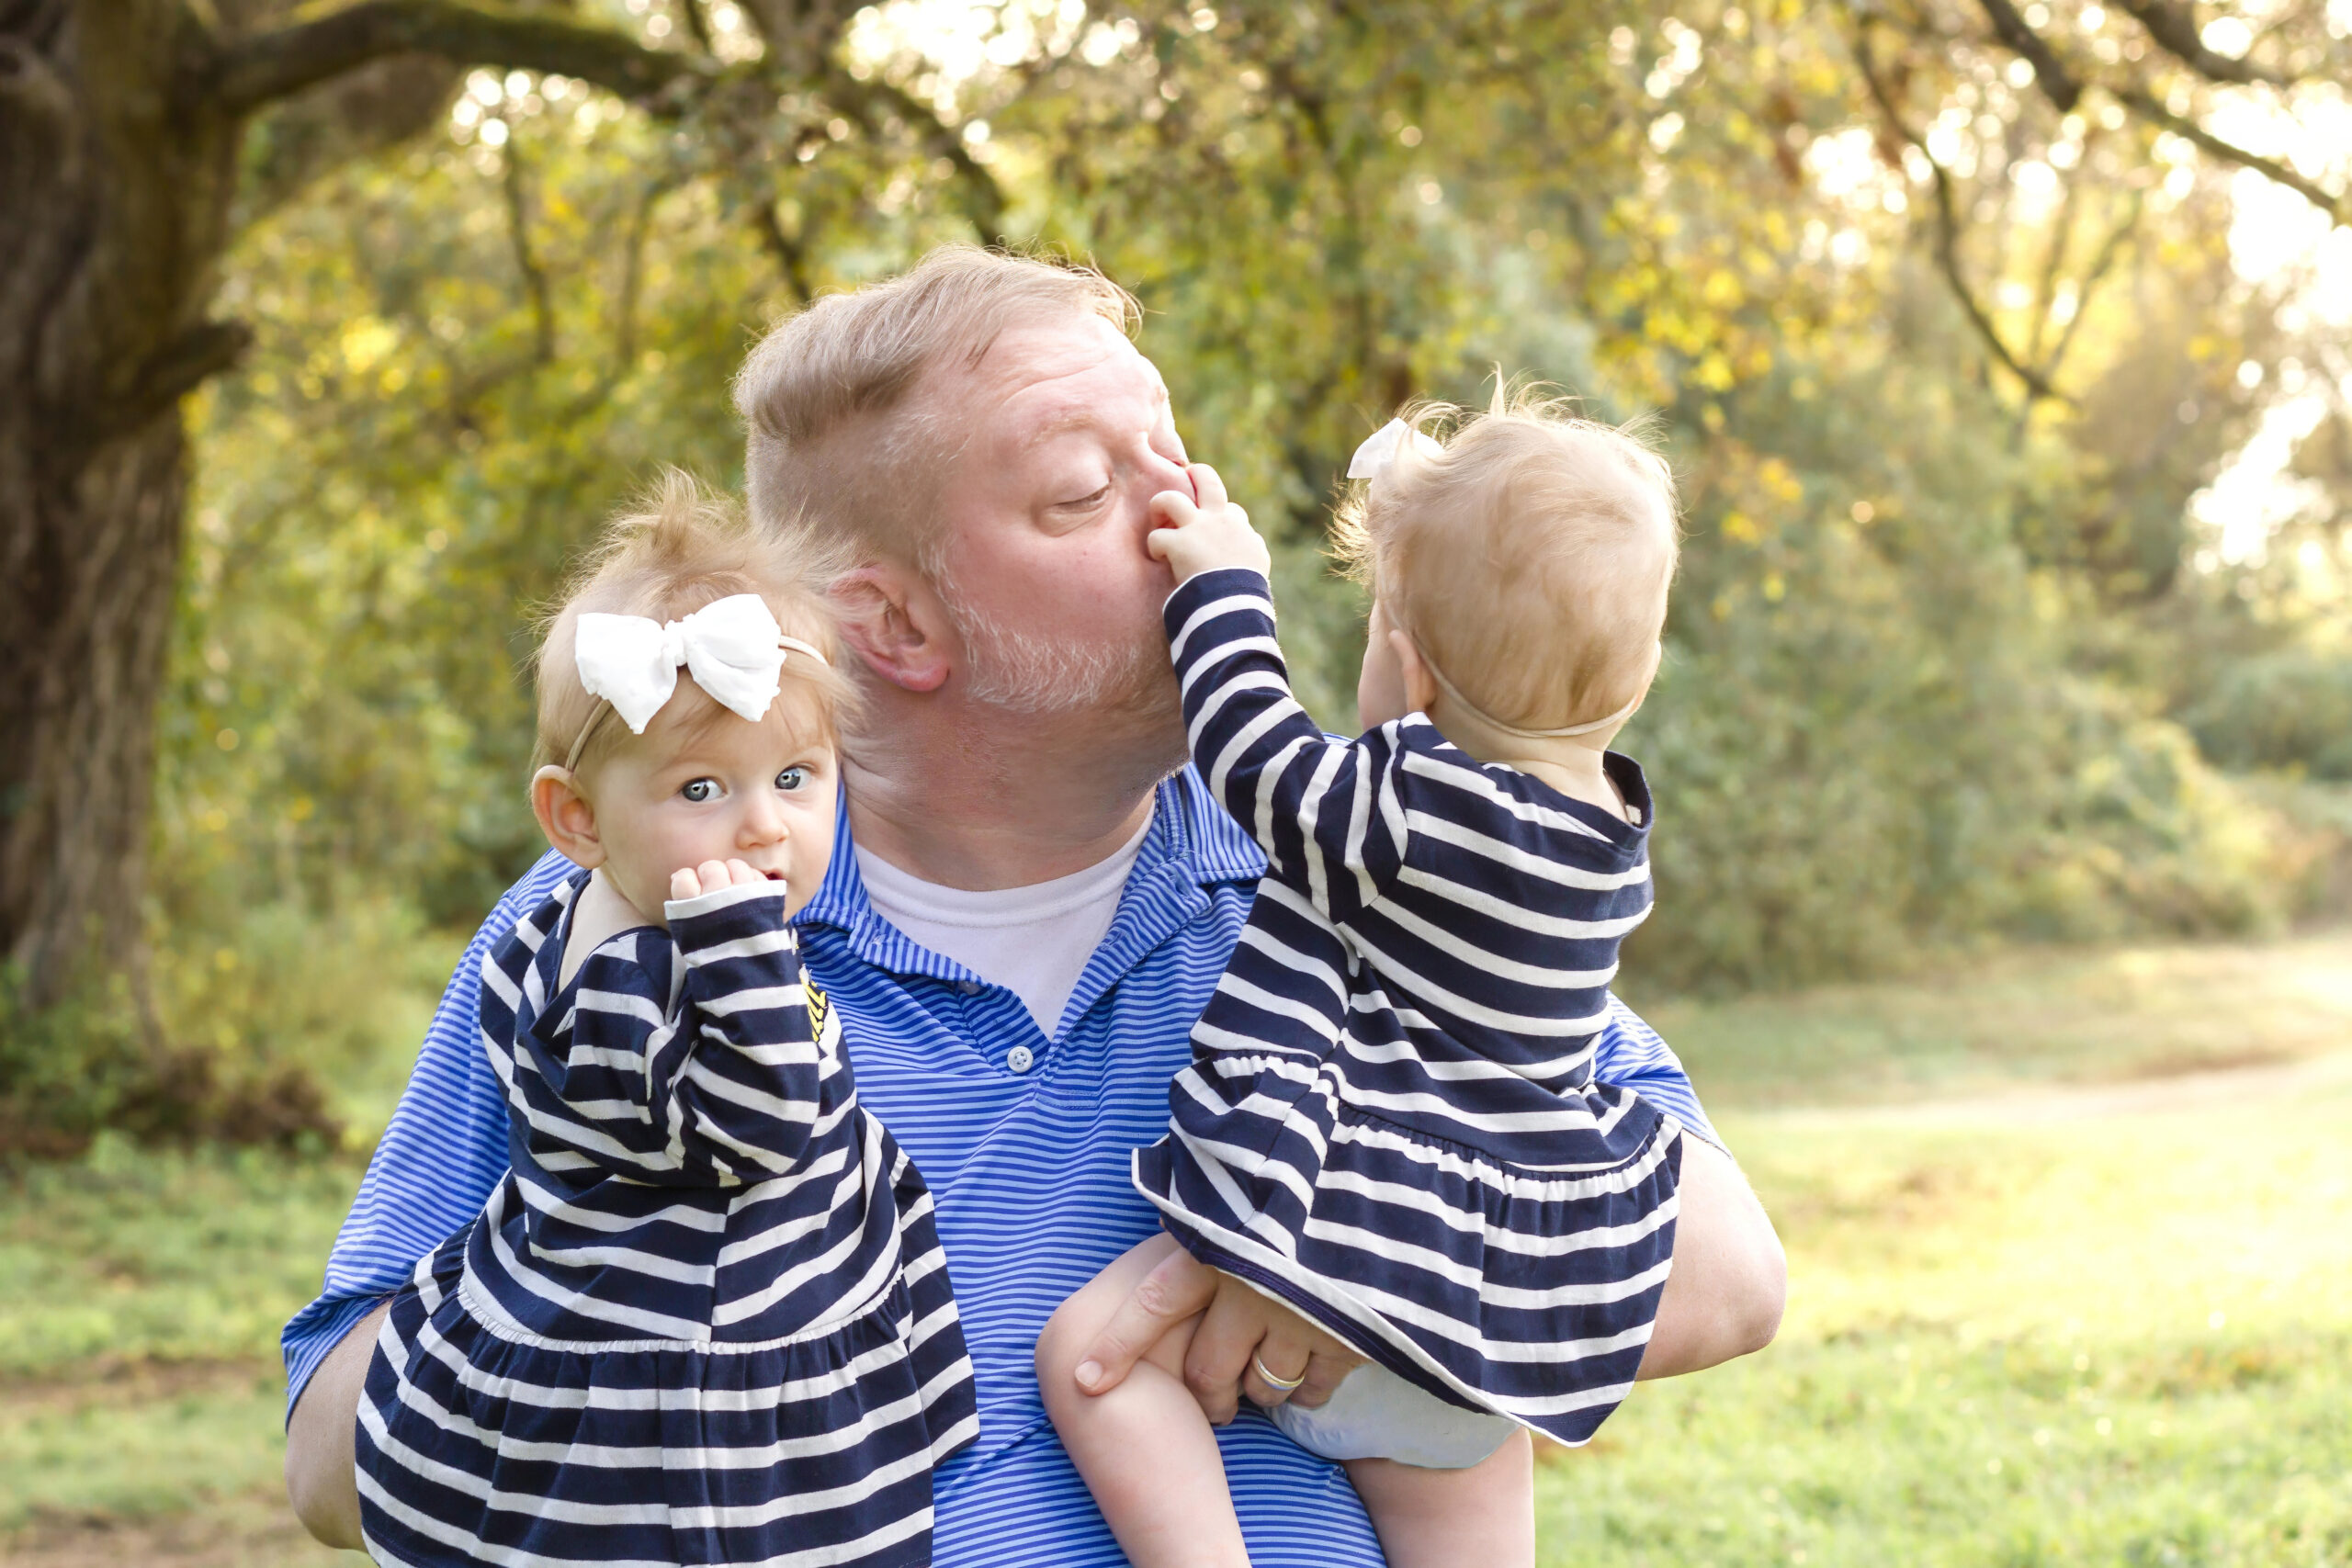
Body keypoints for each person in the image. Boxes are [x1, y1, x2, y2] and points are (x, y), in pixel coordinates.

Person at [284, 246, 1785, 1566]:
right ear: (897, 624)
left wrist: (1345, 1269)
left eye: (1173, 448)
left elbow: (1730, 1269)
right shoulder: (633, 927)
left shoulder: (1339, 878)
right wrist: (664, 1256)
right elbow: (333, 1458)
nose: (1190, 509)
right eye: (1085, 489)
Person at [1038, 398, 1685, 1568]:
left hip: (1332, 1239)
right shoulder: (1608, 840)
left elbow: (1254, 750)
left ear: (1410, 673)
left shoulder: (1408, 811)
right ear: (1631, 684)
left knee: (1093, 1359)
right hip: (1474, 1321)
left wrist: (1223, 587)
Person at [356, 479, 978, 1567]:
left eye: (796, 778)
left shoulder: (642, 915)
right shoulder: (616, 976)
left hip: (779, 1313)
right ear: (578, 820)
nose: (763, 826)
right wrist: (742, 944)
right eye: (700, 790)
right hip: (676, 1412)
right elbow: (764, 1123)